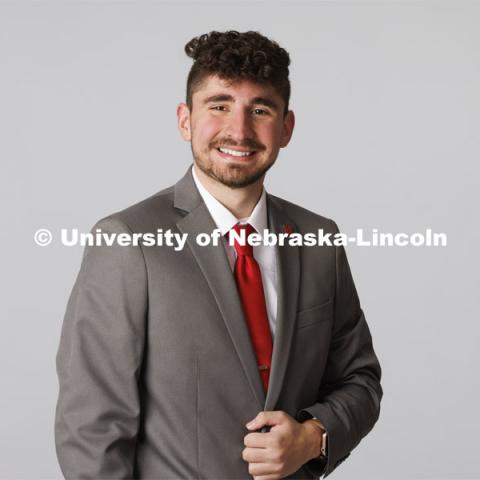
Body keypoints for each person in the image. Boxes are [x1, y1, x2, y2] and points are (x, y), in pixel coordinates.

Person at [55, 30, 382, 479]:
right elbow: (91, 428)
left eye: (260, 110)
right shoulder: (126, 240)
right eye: (219, 106)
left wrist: (313, 436)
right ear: (185, 120)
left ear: (286, 128)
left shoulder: (318, 239)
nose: (240, 130)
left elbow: (359, 381)